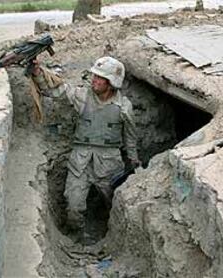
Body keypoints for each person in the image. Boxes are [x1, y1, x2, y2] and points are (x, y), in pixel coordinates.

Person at [31, 56, 139, 235]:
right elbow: (57, 90)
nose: (94, 80)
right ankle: (79, 235)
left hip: (109, 166)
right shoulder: (82, 96)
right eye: (94, 75)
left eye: (99, 77)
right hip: (80, 163)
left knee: (115, 204)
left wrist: (134, 160)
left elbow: (131, 137)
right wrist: (38, 72)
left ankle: (113, 236)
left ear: (111, 82)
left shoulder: (124, 107)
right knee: (73, 204)